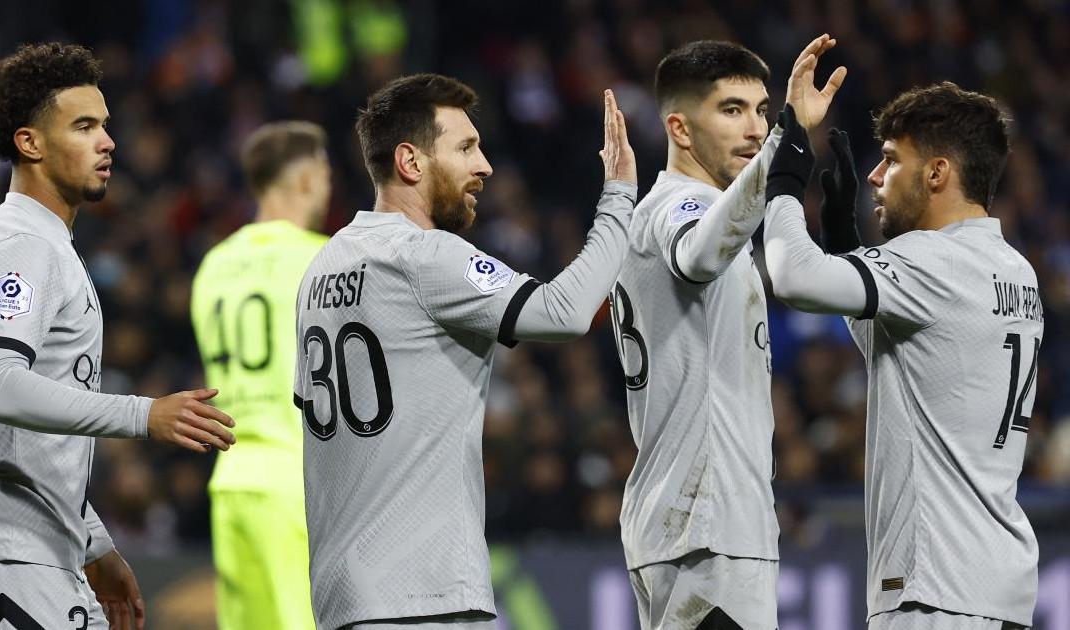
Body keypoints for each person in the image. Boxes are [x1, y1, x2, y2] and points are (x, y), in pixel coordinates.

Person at [293, 74, 636, 630]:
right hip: (424, 593)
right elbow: (562, 312)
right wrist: (619, 197)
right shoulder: (426, 257)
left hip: (343, 597)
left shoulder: (322, 267)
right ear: (411, 161)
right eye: (465, 148)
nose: (485, 166)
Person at [0, 42, 236, 630]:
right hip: (1, 542)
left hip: (37, 541)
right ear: (30, 143)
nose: (108, 141)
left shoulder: (43, 243)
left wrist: (92, 541)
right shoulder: (19, 244)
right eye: (85, 126)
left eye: (106, 125)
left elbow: (25, 440)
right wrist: (144, 414)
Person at [762, 83, 1037, 629]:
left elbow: (790, 276)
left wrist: (786, 180)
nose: (873, 177)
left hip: (936, 587)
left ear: (936, 173)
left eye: (891, 160)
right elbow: (891, 349)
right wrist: (843, 240)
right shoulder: (1012, 268)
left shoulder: (933, 261)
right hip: (996, 585)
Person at [609, 36, 846, 630]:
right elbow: (696, 254)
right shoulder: (677, 207)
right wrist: (787, 142)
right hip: (705, 527)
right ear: (680, 130)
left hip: (699, 522)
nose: (753, 129)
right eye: (731, 110)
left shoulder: (701, 212)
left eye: (762, 111)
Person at [191, 121, 332, 630]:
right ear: (306, 180)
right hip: (297, 482)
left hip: (231, 480)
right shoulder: (322, 259)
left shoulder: (213, 264)